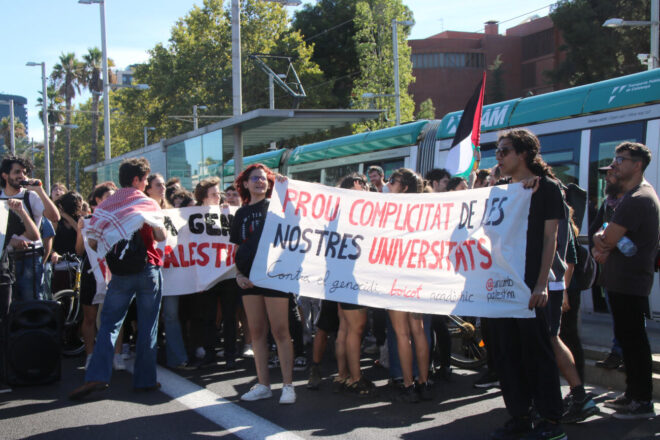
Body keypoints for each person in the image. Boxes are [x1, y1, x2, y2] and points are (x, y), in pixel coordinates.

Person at [69, 158, 167, 400]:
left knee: (109, 326)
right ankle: (145, 381)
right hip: (148, 270)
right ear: (136, 180)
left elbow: (93, 242)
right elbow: (161, 235)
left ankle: (96, 376)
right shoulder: (146, 203)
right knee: (147, 327)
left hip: (120, 275)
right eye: (145, 179)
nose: (146, 184)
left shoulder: (105, 206)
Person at [490, 129, 566, 440]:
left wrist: (541, 285)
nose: (499, 156)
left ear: (523, 154)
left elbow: (551, 238)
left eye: (504, 151)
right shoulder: (504, 190)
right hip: (500, 286)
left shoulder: (547, 189)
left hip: (528, 287)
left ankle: (550, 419)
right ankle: (520, 415)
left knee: (537, 353)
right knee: (507, 353)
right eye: (497, 151)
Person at [592, 142, 659, 420]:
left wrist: (600, 241)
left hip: (629, 282)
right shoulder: (633, 196)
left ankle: (641, 400)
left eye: (622, 159)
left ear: (638, 165)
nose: (616, 163)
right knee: (630, 341)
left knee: (634, 341)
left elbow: (605, 238)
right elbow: (606, 238)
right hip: (623, 281)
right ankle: (633, 394)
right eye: (615, 158)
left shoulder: (637, 199)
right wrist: (603, 241)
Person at [230, 164, 295, 404]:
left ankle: (288, 385)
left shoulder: (276, 207)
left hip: (274, 276)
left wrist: (285, 188)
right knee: (256, 332)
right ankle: (263, 384)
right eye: (254, 178)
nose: (259, 181)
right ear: (245, 184)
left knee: (281, 331)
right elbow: (237, 249)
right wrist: (238, 275)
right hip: (249, 280)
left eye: (263, 178)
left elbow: (296, 219)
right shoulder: (241, 214)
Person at [386, 168, 433, 402]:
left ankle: (407, 384)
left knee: (402, 333)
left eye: (392, 181)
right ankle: (424, 382)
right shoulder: (425, 210)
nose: (388, 184)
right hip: (418, 275)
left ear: (404, 187)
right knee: (419, 330)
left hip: (396, 275)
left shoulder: (388, 212)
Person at [0, 155, 59, 301]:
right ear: (5, 175)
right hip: (5, 260)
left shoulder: (31, 196)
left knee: (31, 302)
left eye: (24, 172)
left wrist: (40, 191)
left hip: (30, 258)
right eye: (17, 172)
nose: (22, 176)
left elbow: (54, 217)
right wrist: (12, 242)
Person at [0, 198, 41, 393]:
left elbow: (34, 235)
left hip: (3, 276)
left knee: (3, 324)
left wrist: (22, 212)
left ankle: (3, 376)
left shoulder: (4, 210)